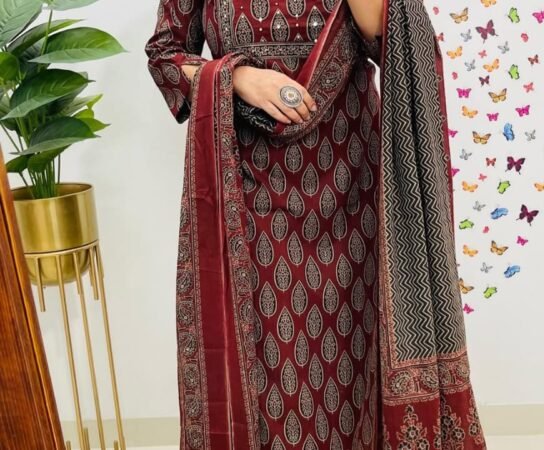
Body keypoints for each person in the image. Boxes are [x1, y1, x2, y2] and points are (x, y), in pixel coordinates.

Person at [145, 0, 487, 448]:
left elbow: (392, 42)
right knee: (267, 369)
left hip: (352, 194)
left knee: (356, 362)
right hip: (249, 199)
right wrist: (240, 77)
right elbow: (165, 56)